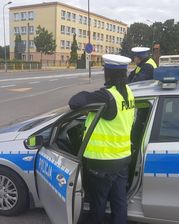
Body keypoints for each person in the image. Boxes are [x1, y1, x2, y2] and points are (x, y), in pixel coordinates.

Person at [69, 54, 135, 224]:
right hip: (122, 158)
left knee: (98, 204)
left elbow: (74, 102)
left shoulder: (106, 96)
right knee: (119, 202)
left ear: (108, 73)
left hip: (103, 162)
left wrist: (87, 92)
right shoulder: (128, 93)